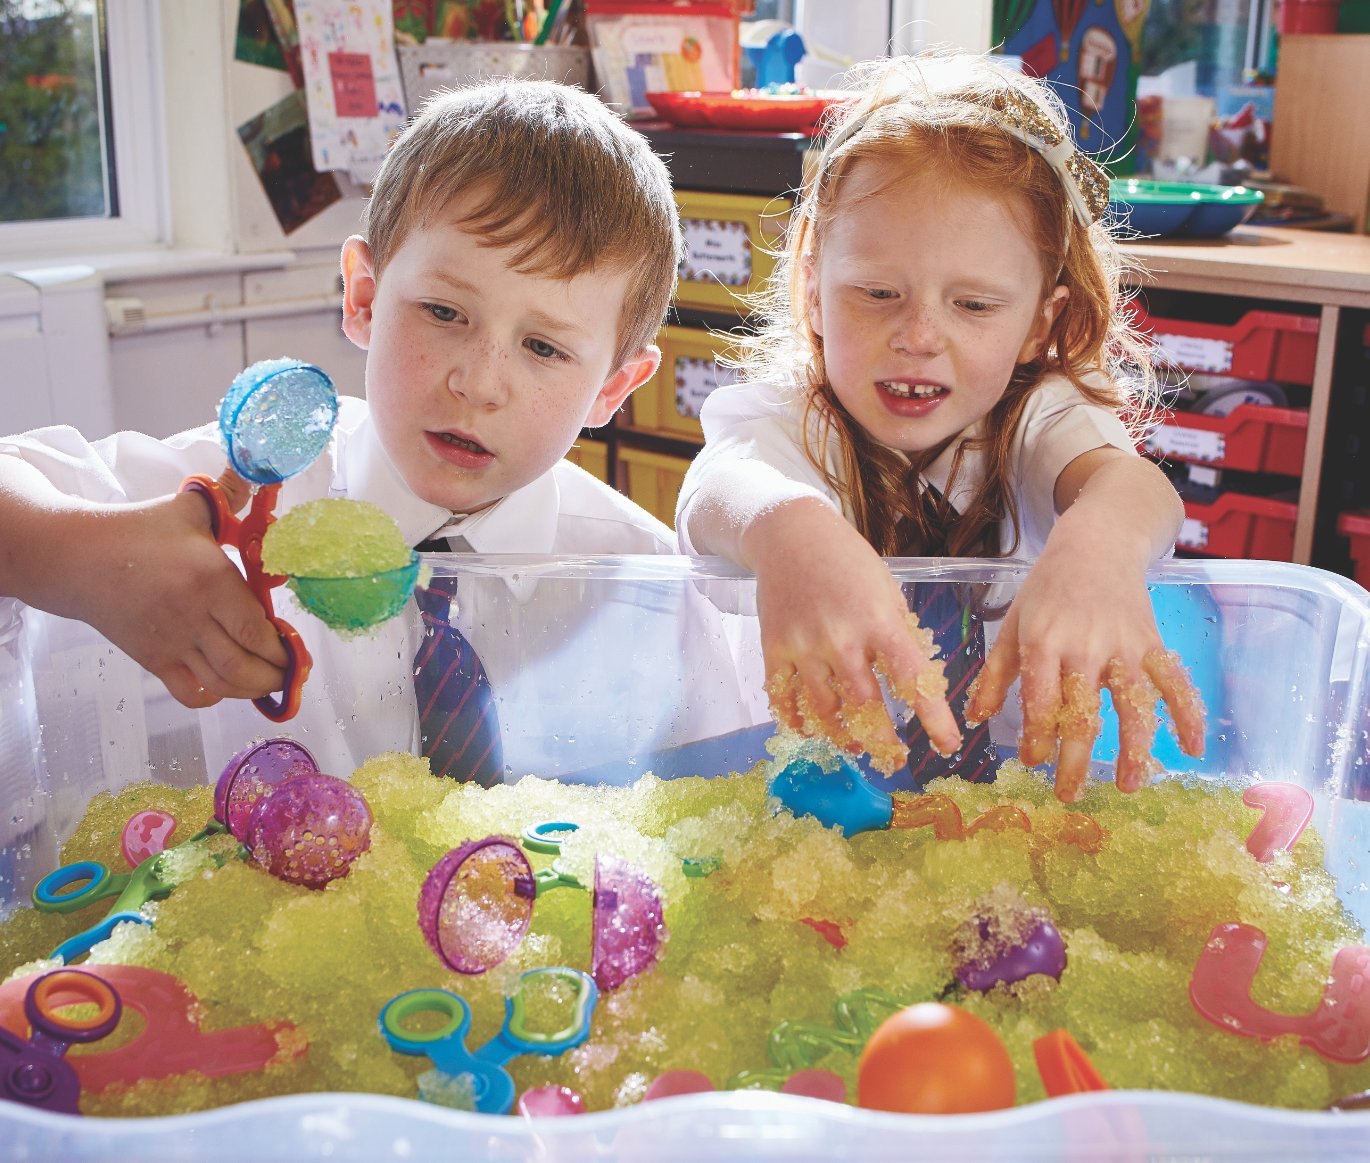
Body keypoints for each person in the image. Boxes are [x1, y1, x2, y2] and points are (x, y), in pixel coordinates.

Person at [0, 79, 759, 785]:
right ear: (363, 296)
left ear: (614, 387)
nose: (478, 382)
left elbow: (711, 813)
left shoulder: (645, 583)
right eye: (443, 312)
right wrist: (79, 556)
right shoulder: (241, 489)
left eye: (544, 348)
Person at [674, 51, 1207, 803]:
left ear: (1038, 323)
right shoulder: (791, 423)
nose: (919, 334)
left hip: (1015, 810)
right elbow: (717, 487)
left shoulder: (1036, 421)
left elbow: (1134, 487)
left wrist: (1102, 544)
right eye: (878, 291)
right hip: (817, 815)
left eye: (975, 306)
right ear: (813, 289)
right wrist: (790, 533)